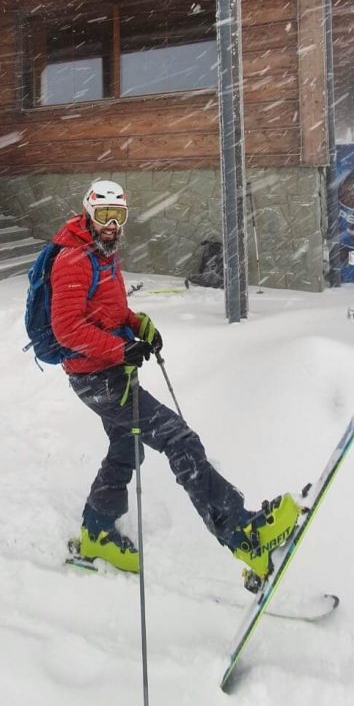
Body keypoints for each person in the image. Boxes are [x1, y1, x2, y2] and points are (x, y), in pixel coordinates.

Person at [50, 179, 299, 581]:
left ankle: (97, 531)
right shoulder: (74, 260)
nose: (112, 225)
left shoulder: (103, 255)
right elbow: (66, 329)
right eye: (104, 216)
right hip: (98, 378)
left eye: (119, 216)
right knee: (179, 439)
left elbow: (107, 311)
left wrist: (137, 325)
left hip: (107, 372)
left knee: (127, 446)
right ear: (88, 214)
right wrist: (119, 351)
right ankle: (244, 534)